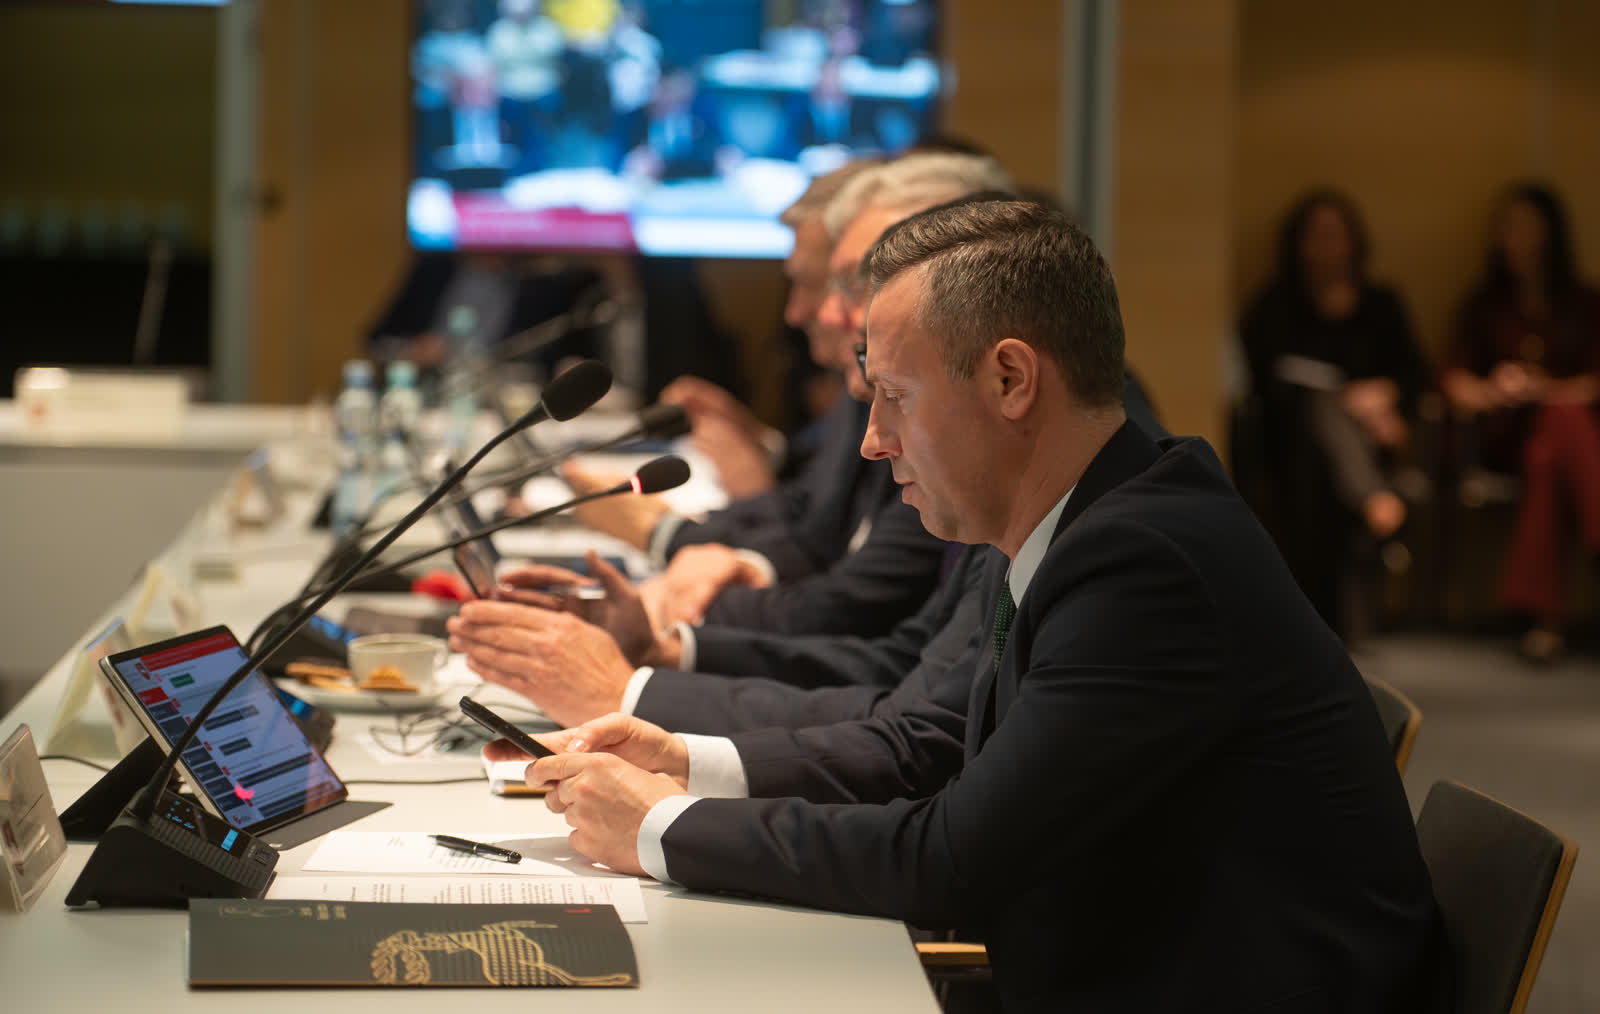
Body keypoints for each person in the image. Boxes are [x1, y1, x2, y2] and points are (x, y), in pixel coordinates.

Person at [497, 200, 1446, 1011]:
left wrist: (660, 827)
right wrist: (683, 762)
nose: (872, 440)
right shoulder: (1076, 514)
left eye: (894, 396)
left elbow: (952, 859)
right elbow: (930, 743)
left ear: (1010, 380)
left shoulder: (1146, 562)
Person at [564, 153, 1014, 638]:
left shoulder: (973, 459)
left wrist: (665, 566)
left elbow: (866, 618)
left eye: (855, 285)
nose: (811, 313)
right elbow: (819, 529)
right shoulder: (884, 401)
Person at [1239, 189, 1430, 640]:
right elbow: (1266, 382)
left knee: (1332, 436)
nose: (1327, 246)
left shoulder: (1381, 304)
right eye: (1317, 235)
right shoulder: (1275, 305)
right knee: (1321, 411)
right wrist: (1346, 403)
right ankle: (1372, 498)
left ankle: (1367, 497)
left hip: (1374, 439)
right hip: (1291, 444)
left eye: (1336, 234)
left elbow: (1415, 373)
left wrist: (1384, 398)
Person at [1442, 182, 1600, 664]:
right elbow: (1452, 380)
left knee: (1552, 445)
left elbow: (1595, 384)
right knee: (1555, 436)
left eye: (1528, 228)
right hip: (1505, 437)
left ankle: (1545, 625)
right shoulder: (1485, 305)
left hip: (1564, 444)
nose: (1517, 239)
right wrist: (1495, 390)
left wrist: (1545, 389)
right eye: (1510, 228)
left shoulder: (1584, 303)